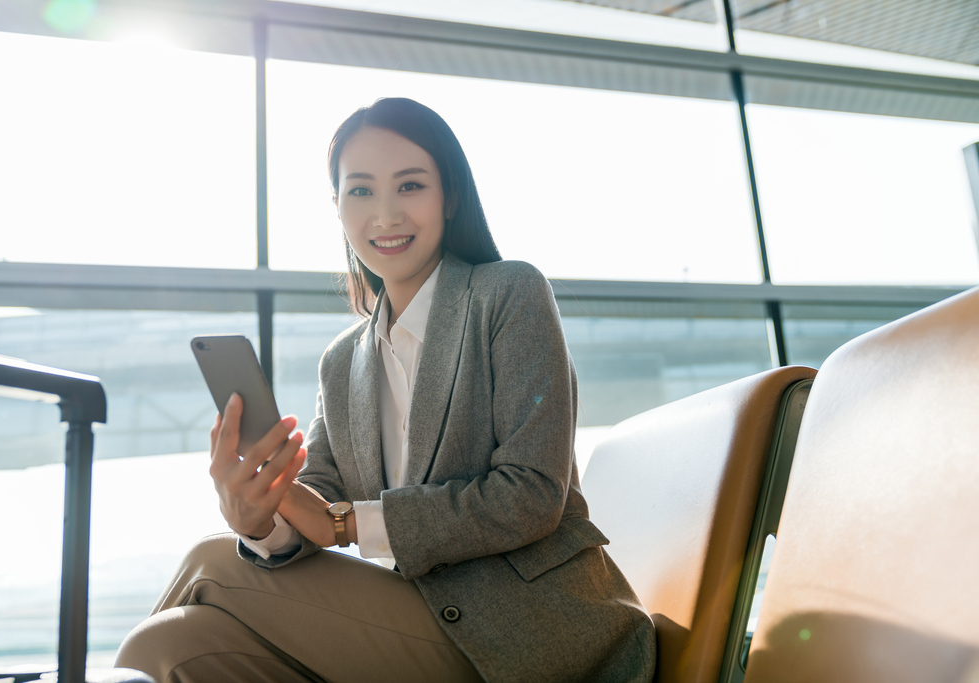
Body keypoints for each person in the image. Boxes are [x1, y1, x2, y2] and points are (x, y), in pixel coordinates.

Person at [116, 97, 655, 682]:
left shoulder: (509, 295)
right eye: (362, 191)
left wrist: (348, 525)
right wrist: (258, 517)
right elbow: (315, 497)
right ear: (339, 209)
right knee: (172, 646)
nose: (386, 214)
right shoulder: (343, 361)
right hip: (416, 622)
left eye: (410, 186)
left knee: (210, 560)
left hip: (536, 632)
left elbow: (531, 494)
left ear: (449, 196)